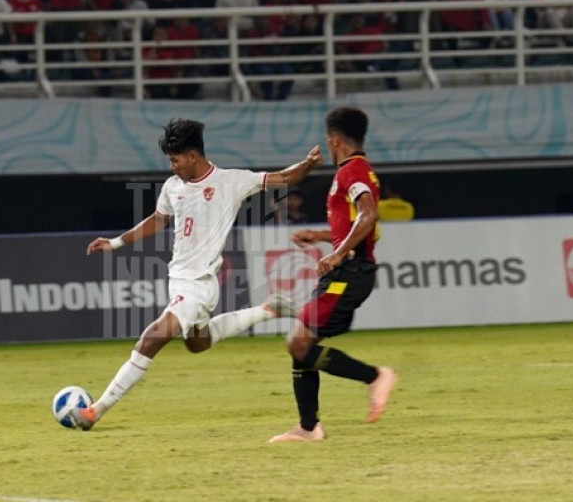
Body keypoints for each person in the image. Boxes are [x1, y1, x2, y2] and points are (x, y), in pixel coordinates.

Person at [72, 119, 324, 430]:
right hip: (178, 280)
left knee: (151, 339)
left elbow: (284, 178)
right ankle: (268, 309)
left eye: (175, 160)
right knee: (197, 343)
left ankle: (96, 410)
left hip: (199, 285)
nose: (173, 166)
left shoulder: (231, 182)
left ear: (193, 156)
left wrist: (308, 164)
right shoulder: (172, 187)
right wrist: (115, 243)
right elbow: (158, 220)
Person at [271, 106, 398, 442]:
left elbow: (368, 216)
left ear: (335, 138)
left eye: (328, 140)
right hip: (350, 267)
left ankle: (374, 377)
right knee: (303, 342)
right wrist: (322, 237)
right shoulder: (358, 171)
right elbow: (366, 225)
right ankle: (308, 427)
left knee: (298, 342)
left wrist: (338, 253)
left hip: (350, 270)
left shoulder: (352, 172)